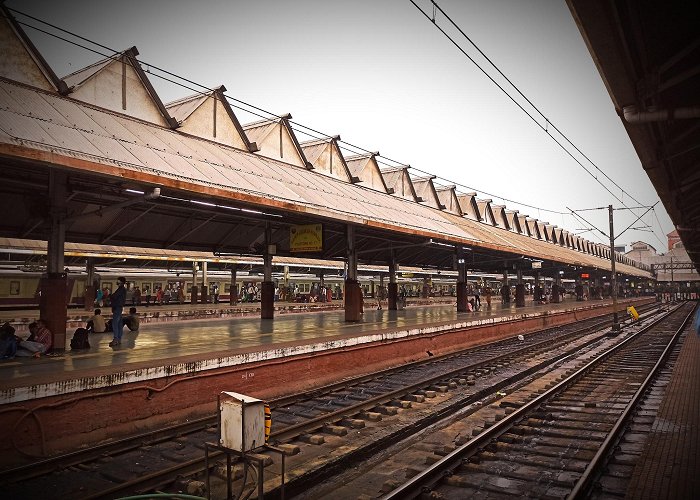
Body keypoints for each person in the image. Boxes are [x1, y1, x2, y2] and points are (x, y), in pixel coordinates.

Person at [109, 276, 127, 346]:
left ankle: (116, 339)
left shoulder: (121, 289)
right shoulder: (121, 289)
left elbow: (114, 296)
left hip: (117, 308)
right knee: (119, 324)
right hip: (119, 308)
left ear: (121, 282)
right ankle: (118, 339)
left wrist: (110, 296)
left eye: (118, 281)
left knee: (115, 324)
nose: (117, 282)